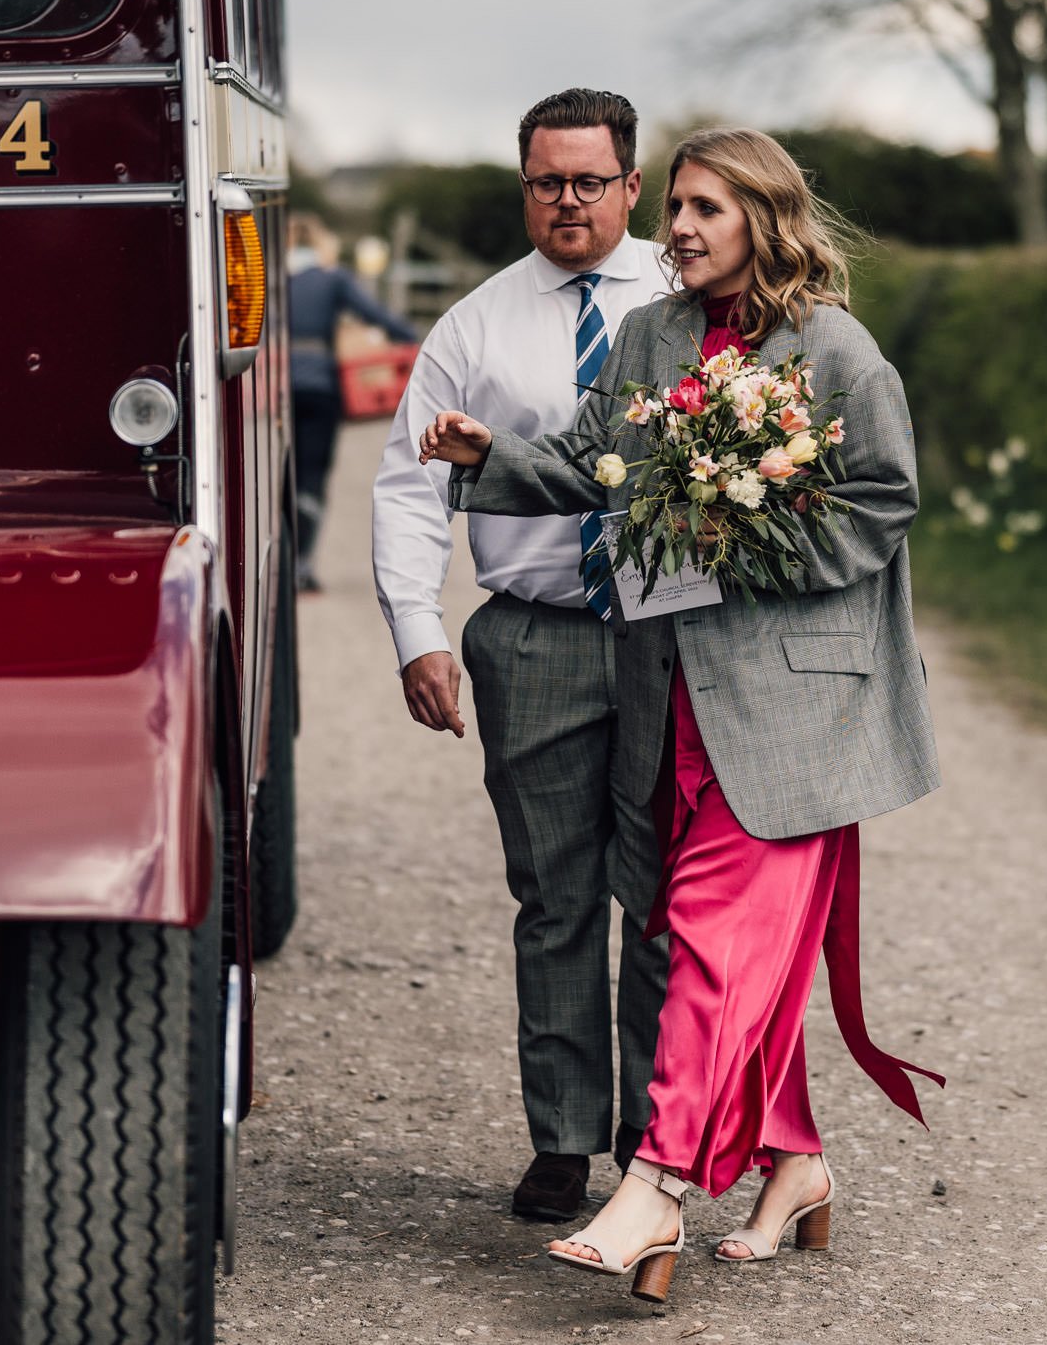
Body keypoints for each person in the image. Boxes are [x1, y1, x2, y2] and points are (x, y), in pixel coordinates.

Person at [418, 126, 944, 1303]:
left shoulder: (839, 352)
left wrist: (750, 540)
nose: (684, 227)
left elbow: (882, 502)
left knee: (709, 939)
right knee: (712, 928)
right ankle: (796, 1163)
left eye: (707, 208)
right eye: (683, 206)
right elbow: (601, 460)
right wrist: (487, 456)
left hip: (796, 705)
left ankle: (654, 1184)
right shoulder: (656, 334)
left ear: (763, 217)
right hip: (674, 698)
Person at [371, 89, 674, 1221]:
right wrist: (419, 632)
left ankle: (656, 1133)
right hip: (534, 636)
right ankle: (559, 1138)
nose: (567, 202)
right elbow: (409, 486)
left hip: (663, 636)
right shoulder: (476, 327)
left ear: (629, 186)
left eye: (589, 181)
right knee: (553, 900)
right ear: (524, 185)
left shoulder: (684, 300)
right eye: (546, 181)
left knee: (658, 896)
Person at [290, 215, 416, 592]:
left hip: (275, 389)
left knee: (281, 476)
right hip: (320, 387)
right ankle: (302, 565)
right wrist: (411, 338)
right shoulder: (332, 280)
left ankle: (282, 558)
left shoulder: (268, 279)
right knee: (312, 475)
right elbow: (376, 315)